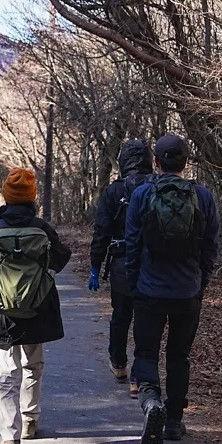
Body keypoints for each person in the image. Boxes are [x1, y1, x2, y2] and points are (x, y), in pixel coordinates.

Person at [123, 134, 219, 444]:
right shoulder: (203, 197)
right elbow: (210, 247)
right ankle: (175, 420)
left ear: (156, 163)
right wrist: (200, 283)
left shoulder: (140, 194)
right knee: (179, 356)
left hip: (149, 290)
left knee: (147, 352)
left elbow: (132, 245)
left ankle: (151, 402)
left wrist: (133, 283)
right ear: (186, 163)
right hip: (187, 292)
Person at [0, 167, 72, 444]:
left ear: (6, 197)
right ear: (33, 197)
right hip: (37, 306)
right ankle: (30, 420)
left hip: (2, 311)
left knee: (7, 373)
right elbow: (61, 257)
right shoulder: (42, 229)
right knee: (34, 364)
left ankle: (10, 437)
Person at [88, 138, 152, 389]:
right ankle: (140, 375)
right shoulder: (156, 186)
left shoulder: (114, 191)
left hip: (121, 263)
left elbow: (101, 231)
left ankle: (119, 364)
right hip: (152, 265)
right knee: (146, 319)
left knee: (121, 316)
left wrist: (95, 266)